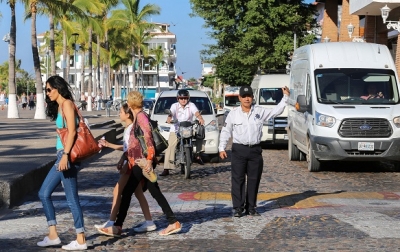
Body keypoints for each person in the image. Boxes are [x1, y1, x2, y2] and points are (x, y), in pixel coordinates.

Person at [99, 91, 182, 236]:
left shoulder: (141, 117)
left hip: (142, 162)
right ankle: (172, 221)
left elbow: (148, 139)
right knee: (154, 192)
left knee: (127, 192)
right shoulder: (139, 117)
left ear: (130, 104)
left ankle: (118, 226)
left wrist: (149, 160)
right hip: (139, 162)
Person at [219, 85, 290, 217]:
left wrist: (285, 97)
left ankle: (251, 207)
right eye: (244, 96)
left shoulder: (259, 111)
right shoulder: (233, 114)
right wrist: (221, 148)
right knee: (238, 179)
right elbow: (226, 131)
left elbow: (276, 111)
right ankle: (238, 208)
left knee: (254, 179)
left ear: (252, 97)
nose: (247, 99)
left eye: (249, 96)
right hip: (239, 150)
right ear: (239, 98)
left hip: (255, 151)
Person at [37, 75, 87, 250]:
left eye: (49, 89)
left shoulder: (66, 104)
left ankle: (80, 239)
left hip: (67, 156)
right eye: (46, 90)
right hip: (62, 155)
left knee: (72, 198)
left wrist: (65, 155)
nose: (47, 92)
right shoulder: (60, 106)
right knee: (44, 193)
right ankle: (53, 235)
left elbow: (72, 132)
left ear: (58, 88)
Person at [94, 103, 156, 235]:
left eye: (121, 112)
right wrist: (122, 158)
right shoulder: (128, 128)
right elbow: (126, 148)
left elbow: (129, 148)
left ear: (127, 114)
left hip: (132, 164)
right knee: (138, 193)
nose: (119, 114)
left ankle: (112, 222)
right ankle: (149, 222)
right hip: (131, 162)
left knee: (118, 190)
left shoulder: (130, 129)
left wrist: (109, 145)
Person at [159, 89, 205, 176]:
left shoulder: (191, 105)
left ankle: (198, 154)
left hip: (189, 129)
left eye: (185, 98)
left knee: (200, 132)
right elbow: (171, 113)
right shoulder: (174, 106)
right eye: (181, 98)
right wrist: (169, 119)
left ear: (188, 98)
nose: (183, 100)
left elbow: (196, 112)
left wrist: (200, 118)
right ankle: (166, 168)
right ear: (178, 99)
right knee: (170, 147)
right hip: (176, 129)